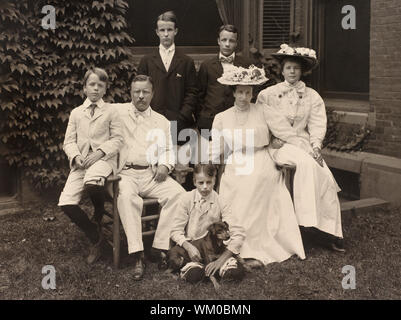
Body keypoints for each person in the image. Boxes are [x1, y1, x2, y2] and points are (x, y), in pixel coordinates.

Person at [210, 65, 306, 267]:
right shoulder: (222, 117)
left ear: (252, 93)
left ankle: (255, 248)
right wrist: (206, 166)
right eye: (240, 92)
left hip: (262, 159)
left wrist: (298, 145)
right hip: (236, 161)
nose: (244, 97)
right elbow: (215, 149)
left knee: (256, 183)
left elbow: (285, 131)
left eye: (248, 92)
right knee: (234, 186)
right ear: (233, 92)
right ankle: (235, 244)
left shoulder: (263, 111)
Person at [256, 44, 345, 251]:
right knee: (306, 165)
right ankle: (304, 223)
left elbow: (317, 123)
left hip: (304, 144)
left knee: (325, 174)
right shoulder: (267, 95)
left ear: (302, 71)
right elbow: (261, 122)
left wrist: (315, 145)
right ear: (282, 70)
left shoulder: (312, 96)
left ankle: (329, 230)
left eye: (296, 68)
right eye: (288, 68)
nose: (292, 72)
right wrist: (270, 139)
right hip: (279, 145)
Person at [114, 75, 186, 281]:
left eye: (145, 92)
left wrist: (165, 165)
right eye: (136, 91)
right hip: (125, 173)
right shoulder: (117, 112)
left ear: (152, 94)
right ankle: (138, 254)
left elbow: (169, 150)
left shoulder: (161, 121)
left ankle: (159, 245)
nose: (141, 96)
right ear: (130, 92)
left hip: (149, 173)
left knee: (179, 194)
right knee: (127, 199)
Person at [58, 67, 124, 264]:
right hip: (81, 163)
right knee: (66, 203)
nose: (96, 89)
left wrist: (100, 152)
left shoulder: (111, 111)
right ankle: (96, 236)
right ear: (84, 88)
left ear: (105, 89)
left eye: (100, 85)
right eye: (92, 85)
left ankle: (98, 212)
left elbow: (118, 139)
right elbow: (68, 141)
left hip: (103, 160)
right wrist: (76, 156)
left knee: (93, 182)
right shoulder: (77, 113)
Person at [170, 164, 246, 283]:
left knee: (236, 272)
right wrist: (188, 246)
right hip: (192, 250)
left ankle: (218, 267)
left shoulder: (221, 201)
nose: (205, 187)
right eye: (201, 183)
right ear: (194, 182)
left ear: (214, 181)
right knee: (195, 275)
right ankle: (195, 269)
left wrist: (220, 260)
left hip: (214, 250)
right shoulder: (186, 199)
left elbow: (238, 234)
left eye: (209, 182)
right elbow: (175, 231)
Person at [137, 10, 198, 142]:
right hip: (150, 122)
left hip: (178, 124)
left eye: (169, 30)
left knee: (176, 160)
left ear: (175, 31)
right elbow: (139, 90)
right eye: (162, 30)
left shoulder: (186, 61)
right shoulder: (146, 61)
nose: (166, 34)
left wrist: (182, 117)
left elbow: (192, 93)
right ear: (157, 32)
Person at [197, 24, 253, 136]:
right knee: (213, 152)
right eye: (224, 40)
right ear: (218, 41)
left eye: (231, 41)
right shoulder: (207, 65)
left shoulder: (246, 64)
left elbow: (251, 92)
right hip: (210, 121)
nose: (227, 44)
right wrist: (202, 116)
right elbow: (199, 95)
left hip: (238, 121)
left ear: (236, 43)